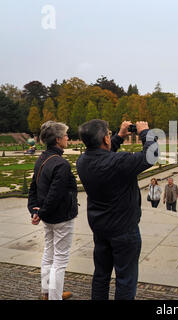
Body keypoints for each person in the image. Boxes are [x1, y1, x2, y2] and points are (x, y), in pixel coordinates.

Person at [76, 119, 158, 300]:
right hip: (124, 229)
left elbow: (102, 153)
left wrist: (119, 136)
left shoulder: (82, 161)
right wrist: (145, 132)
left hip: (100, 227)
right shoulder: (118, 162)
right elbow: (151, 155)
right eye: (109, 134)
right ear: (105, 139)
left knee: (101, 275)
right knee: (125, 279)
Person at [27, 121, 78, 300]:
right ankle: (54, 297)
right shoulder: (61, 164)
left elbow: (33, 189)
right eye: (65, 135)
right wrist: (39, 212)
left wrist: (35, 211)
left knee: (49, 253)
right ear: (57, 139)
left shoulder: (42, 158)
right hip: (61, 217)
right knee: (60, 260)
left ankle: (48, 293)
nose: (67, 138)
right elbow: (55, 196)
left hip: (48, 217)